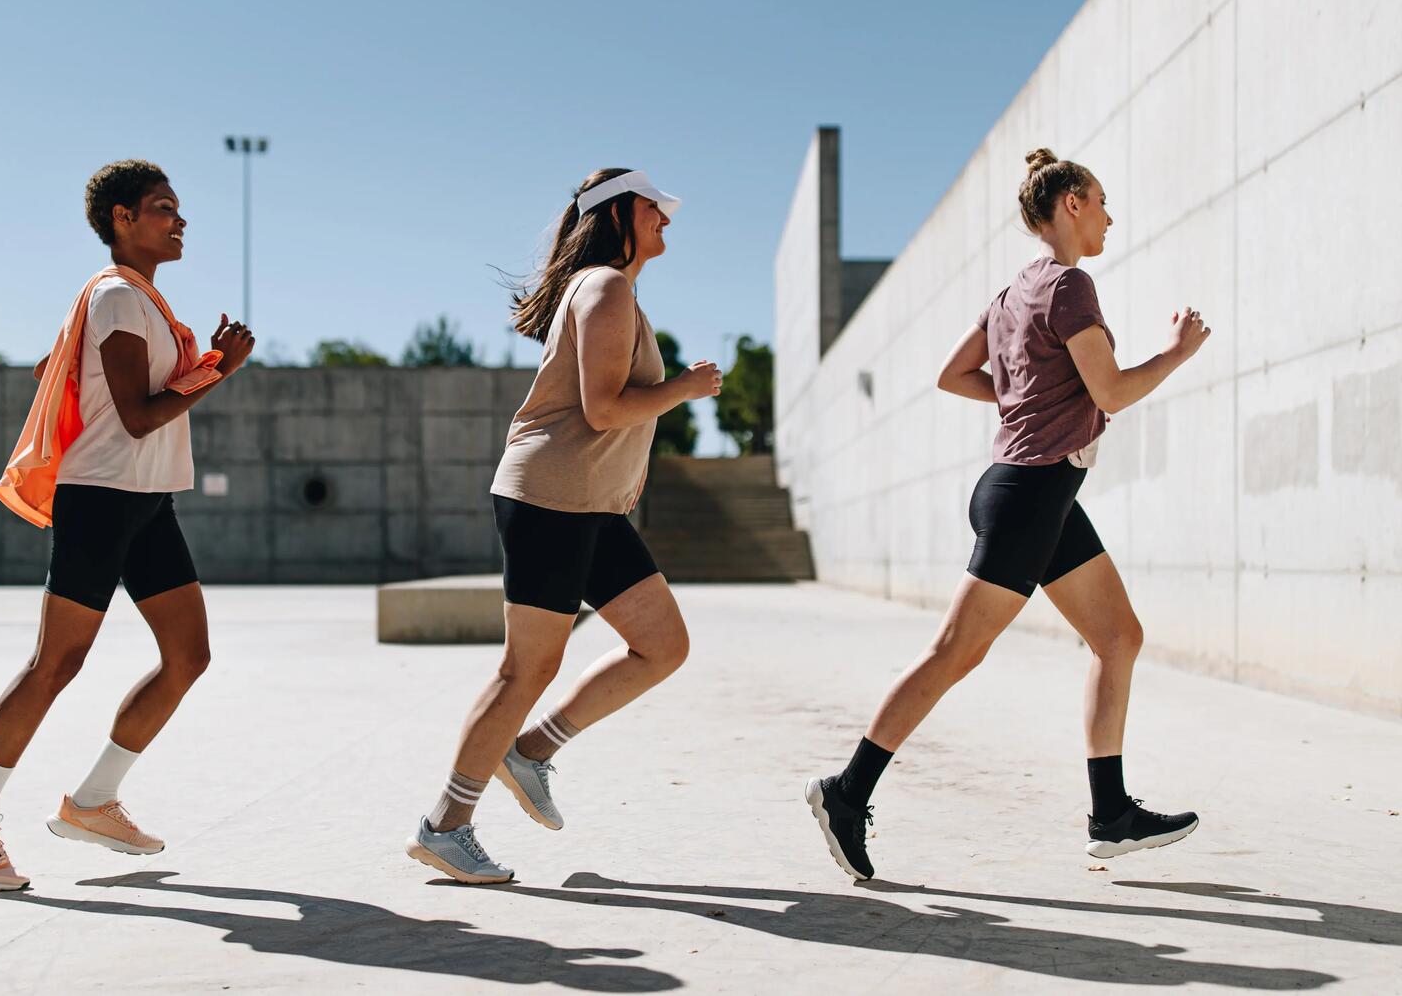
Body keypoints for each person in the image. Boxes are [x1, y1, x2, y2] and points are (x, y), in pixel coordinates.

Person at [805, 148, 1212, 880]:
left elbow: (954, 373)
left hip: (1036, 493)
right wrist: (1178, 352)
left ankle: (1111, 814)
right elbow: (1112, 393)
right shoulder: (1070, 286)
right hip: (1030, 496)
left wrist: (1027, 400)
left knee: (1118, 636)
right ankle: (846, 790)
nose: (1110, 216)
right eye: (1102, 200)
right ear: (1072, 205)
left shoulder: (1010, 294)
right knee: (953, 653)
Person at [0, 159, 255, 891]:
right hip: (102, 496)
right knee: (57, 664)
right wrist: (216, 372)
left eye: (179, 209)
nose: (179, 221)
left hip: (147, 500)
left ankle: (94, 799)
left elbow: (56, 368)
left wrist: (196, 365)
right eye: (163, 207)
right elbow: (139, 416)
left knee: (188, 655)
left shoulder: (135, 302)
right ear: (122, 219)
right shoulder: (114, 297)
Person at [405, 168, 722, 884]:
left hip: (590, 502)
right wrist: (685, 389)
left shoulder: (614, 290)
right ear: (618, 217)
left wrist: (628, 474)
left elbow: (605, 418)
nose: (667, 219)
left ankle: (533, 749)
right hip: (551, 499)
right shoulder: (606, 287)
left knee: (662, 644)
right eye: (654, 208)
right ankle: (445, 825)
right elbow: (604, 406)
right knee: (527, 667)